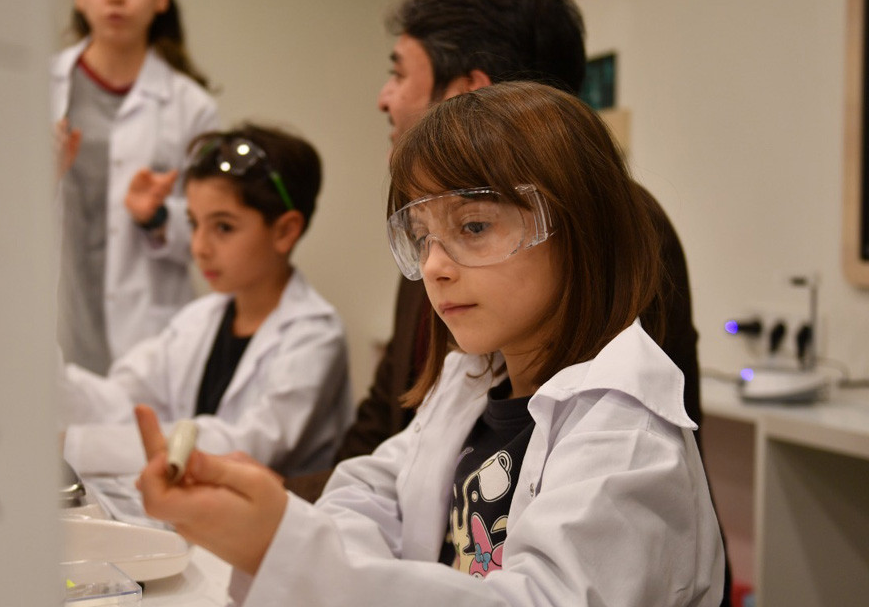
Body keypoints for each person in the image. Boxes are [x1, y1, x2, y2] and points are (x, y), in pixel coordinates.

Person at [135, 83, 726, 606]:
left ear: (577, 228)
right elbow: (369, 492)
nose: (434, 266)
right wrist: (298, 544)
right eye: (421, 237)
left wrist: (288, 552)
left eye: (474, 226)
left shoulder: (625, 436)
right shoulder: (469, 384)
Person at [284, 0, 701, 501]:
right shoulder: (441, 238)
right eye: (422, 237)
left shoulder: (621, 229)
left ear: (468, 92)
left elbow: (597, 493)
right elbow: (388, 433)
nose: (385, 98)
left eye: (400, 74)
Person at [61, 124, 351, 480]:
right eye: (194, 223)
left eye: (223, 227)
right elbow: (123, 400)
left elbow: (246, 445)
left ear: (285, 231)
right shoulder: (199, 319)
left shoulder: (315, 335)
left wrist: (77, 445)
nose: (199, 247)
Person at [52, 0, 220, 375]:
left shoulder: (192, 107)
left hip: (150, 342)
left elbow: (214, 237)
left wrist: (158, 218)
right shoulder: (38, 89)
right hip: (55, 328)